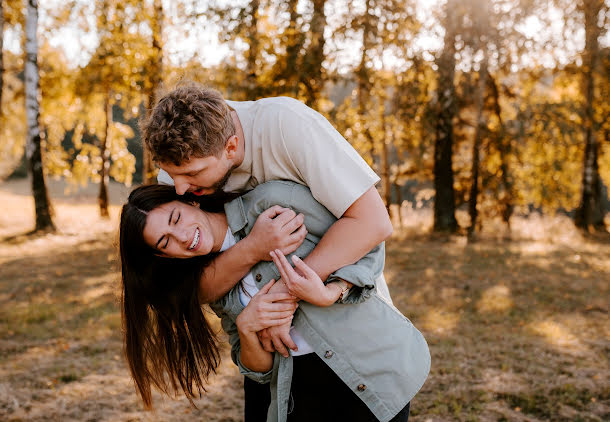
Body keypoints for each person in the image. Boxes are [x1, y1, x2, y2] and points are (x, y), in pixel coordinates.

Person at [119, 181, 430, 422]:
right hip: (296, 390)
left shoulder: (272, 202)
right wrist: (246, 329)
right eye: (165, 242)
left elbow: (368, 241)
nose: (183, 237)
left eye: (176, 218)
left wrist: (329, 291)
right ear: (162, 255)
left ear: (190, 199)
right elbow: (260, 369)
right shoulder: (208, 282)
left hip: (367, 369)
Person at [140, 84, 395, 359]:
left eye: (193, 174)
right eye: (170, 174)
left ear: (231, 147)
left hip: (354, 330)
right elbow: (194, 288)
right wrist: (252, 249)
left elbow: (373, 222)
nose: (178, 189)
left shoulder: (287, 125)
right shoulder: (179, 174)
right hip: (274, 360)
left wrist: (283, 298)